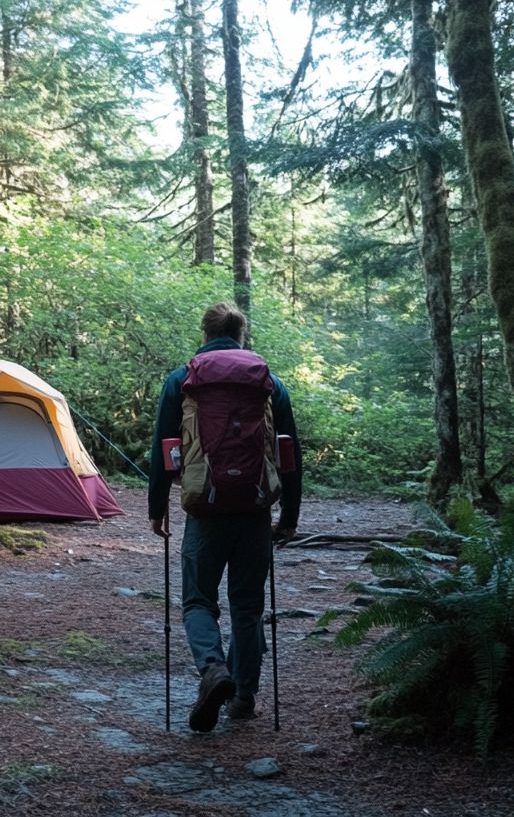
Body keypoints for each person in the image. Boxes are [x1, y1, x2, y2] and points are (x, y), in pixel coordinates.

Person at [148, 302, 302, 732]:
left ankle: (213, 668)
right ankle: (243, 698)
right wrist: (289, 514)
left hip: (204, 508)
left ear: (204, 333)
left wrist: (156, 506)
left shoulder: (183, 380)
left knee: (198, 599)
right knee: (248, 608)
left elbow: (164, 446)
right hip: (254, 509)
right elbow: (289, 455)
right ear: (241, 335)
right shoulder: (270, 383)